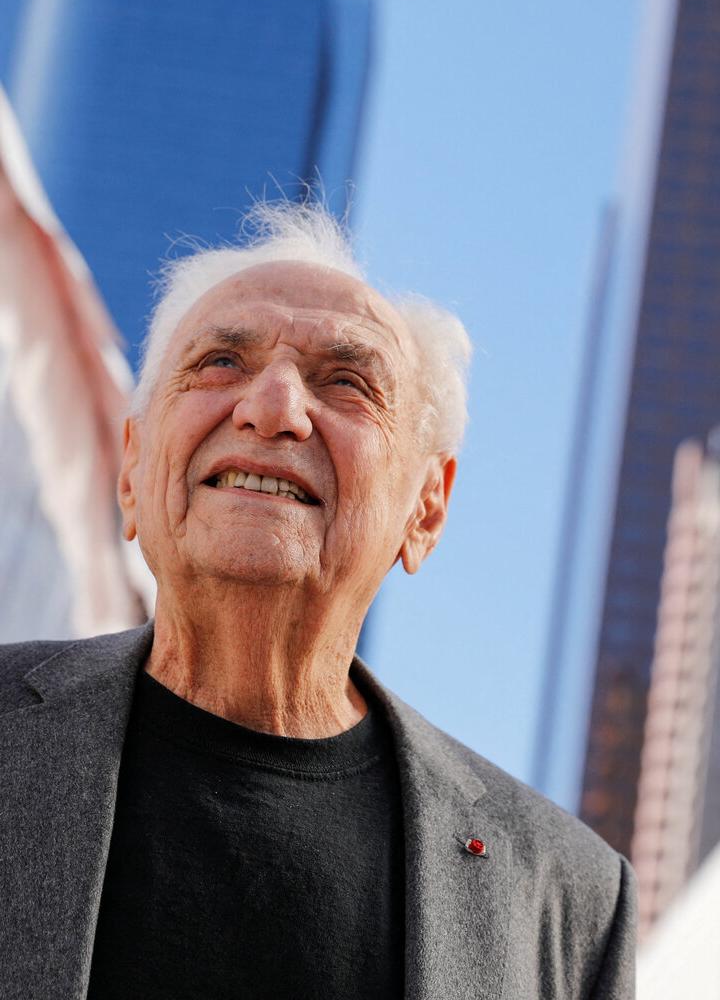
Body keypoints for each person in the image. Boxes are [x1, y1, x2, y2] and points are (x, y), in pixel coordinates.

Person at [0, 201, 635, 999]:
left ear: (427, 508)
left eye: (346, 382)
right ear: (132, 471)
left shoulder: (569, 903)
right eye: (221, 362)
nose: (272, 408)